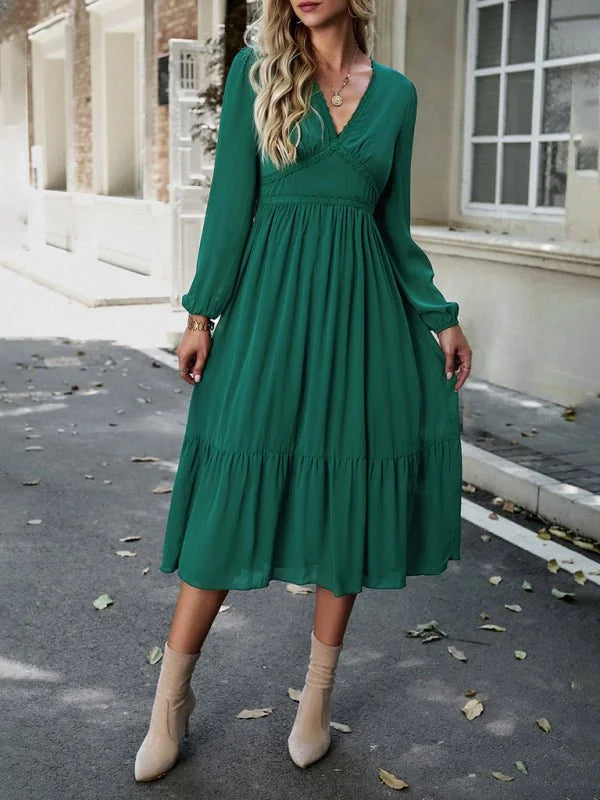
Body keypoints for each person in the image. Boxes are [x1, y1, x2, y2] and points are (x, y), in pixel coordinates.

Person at [134, 0, 472, 782]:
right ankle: (170, 702)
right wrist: (200, 312)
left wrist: (438, 317)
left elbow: (393, 226)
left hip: (363, 322)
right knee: (228, 499)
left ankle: (314, 701)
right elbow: (230, 207)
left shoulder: (397, 95)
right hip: (267, 316)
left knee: (344, 503)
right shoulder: (259, 72)